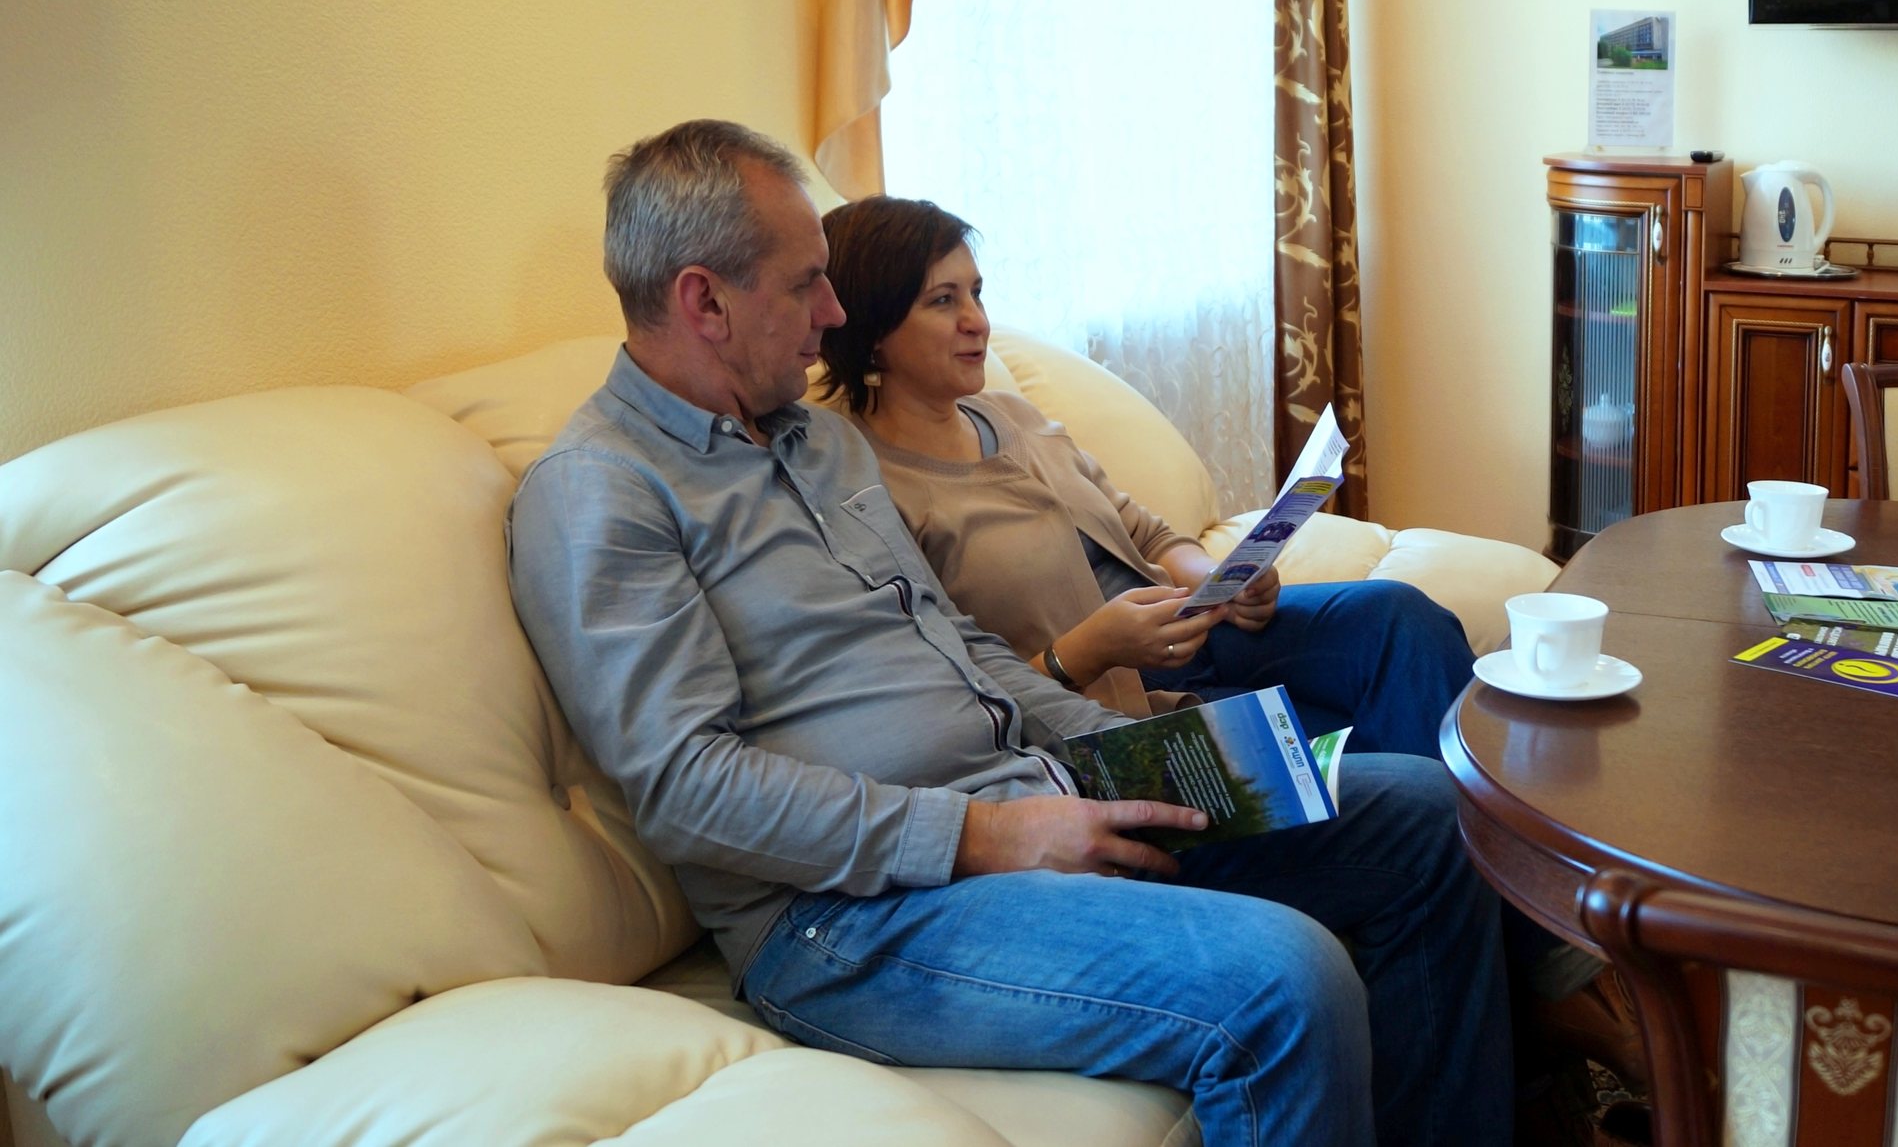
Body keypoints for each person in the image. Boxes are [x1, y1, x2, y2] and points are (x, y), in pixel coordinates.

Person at [506, 120, 1513, 1147]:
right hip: (849, 913)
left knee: (1433, 814)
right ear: (704, 301)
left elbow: (954, 644)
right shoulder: (603, 491)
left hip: (1036, 786)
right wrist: (987, 835)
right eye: (806, 283)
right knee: (1285, 981)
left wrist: (1120, 749)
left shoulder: (817, 444)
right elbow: (686, 789)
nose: (835, 312)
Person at [813, 194, 1475, 757]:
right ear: (872, 329)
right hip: (1104, 712)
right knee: (1394, 760)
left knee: (1401, 618)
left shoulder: (1013, 416)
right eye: (943, 301)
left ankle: (1486, 847)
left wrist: (1222, 582)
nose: (976, 321)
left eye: (977, 293)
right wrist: (1092, 649)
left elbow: (1147, 533)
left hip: (1193, 638)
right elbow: (951, 707)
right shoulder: (871, 492)